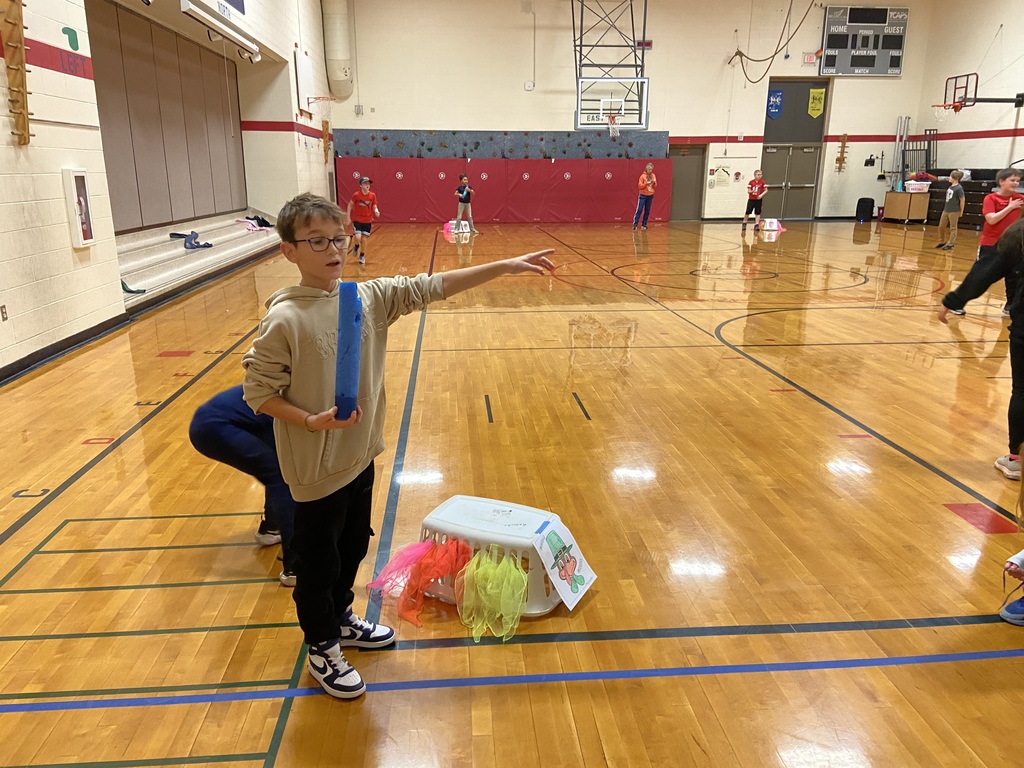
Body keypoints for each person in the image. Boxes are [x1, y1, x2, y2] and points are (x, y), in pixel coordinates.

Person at [242, 192, 555, 699]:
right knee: (317, 566)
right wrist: (309, 420)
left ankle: (340, 619)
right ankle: (321, 646)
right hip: (314, 468)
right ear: (288, 251)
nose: (333, 249)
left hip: (359, 456)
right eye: (316, 241)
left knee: (354, 546)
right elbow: (258, 393)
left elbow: (430, 286)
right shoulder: (285, 320)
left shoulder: (364, 299)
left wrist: (504, 266)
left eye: (338, 238)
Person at [938, 216, 1024, 480]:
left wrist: (953, 300)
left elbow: (984, 272)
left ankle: (1016, 460)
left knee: (1022, 391)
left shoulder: (1018, 235)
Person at [188, 386, 296, 586]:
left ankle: (271, 530)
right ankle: (295, 566)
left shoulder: (282, 384)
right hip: (216, 426)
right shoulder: (298, 398)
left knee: (278, 468)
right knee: (281, 477)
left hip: (208, 422)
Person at [980, 168, 1024, 317]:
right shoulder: (991, 199)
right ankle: (957, 302)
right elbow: (991, 219)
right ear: (1001, 181)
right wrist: (1009, 207)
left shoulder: (1021, 199)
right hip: (991, 243)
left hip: (1014, 245)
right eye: (1012, 180)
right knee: (982, 276)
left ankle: (1010, 306)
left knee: (1014, 277)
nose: (1016, 183)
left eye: (1017, 180)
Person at [345, 176, 379, 266]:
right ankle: (356, 246)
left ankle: (362, 255)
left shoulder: (372, 195)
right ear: (361, 185)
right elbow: (350, 205)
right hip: (357, 219)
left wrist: (376, 211)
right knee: (358, 237)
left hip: (367, 220)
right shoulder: (356, 195)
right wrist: (348, 217)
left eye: (368, 183)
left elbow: (374, 205)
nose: (367, 185)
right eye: (365, 183)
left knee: (364, 239)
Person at [936, 170, 965, 250]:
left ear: (955, 178)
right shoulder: (951, 186)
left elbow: (962, 200)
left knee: (953, 227)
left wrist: (961, 211)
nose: (949, 178)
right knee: (941, 226)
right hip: (946, 210)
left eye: (950, 177)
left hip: (954, 211)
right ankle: (941, 241)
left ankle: (951, 244)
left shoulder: (959, 188)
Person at [632, 163, 657, 230]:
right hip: (643, 195)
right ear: (646, 169)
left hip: (650, 195)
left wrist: (654, 183)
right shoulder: (642, 176)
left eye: (651, 169)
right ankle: (635, 224)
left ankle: (644, 224)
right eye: (649, 169)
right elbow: (640, 186)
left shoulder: (653, 175)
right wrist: (646, 183)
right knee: (639, 209)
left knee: (647, 210)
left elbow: (655, 186)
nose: (650, 170)